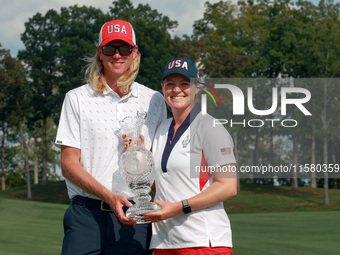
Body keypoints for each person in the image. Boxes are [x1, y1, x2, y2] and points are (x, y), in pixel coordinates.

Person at [55, 19, 167, 255]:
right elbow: (68, 164)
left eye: (124, 48)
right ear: (99, 52)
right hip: (85, 214)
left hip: (135, 215)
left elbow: (159, 167)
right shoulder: (76, 98)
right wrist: (108, 196)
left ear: (134, 52)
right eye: (109, 49)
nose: (117, 55)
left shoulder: (154, 100)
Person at [139, 57, 237, 254]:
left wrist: (177, 208)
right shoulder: (160, 129)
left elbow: (228, 186)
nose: (176, 90)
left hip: (203, 241)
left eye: (185, 84)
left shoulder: (209, 127)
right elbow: (164, 185)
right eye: (170, 84)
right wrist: (138, 157)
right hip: (164, 242)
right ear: (163, 87)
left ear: (197, 87)